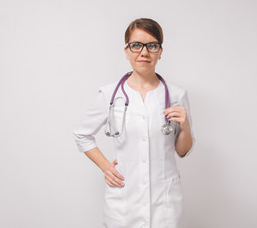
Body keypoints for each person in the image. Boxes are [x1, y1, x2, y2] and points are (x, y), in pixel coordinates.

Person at [73, 18, 195, 228]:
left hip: (164, 203)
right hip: (123, 203)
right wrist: (105, 167)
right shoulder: (110, 94)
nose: (144, 52)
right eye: (136, 45)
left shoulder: (176, 94)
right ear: (127, 50)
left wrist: (185, 127)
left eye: (152, 45)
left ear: (160, 51)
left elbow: (182, 151)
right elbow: (82, 134)